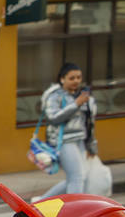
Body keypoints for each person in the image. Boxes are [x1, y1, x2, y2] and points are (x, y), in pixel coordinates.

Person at [39, 63, 97, 198]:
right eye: (72, 78)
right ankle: (73, 212)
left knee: (79, 178)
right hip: (63, 141)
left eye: (79, 77)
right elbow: (53, 117)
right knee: (77, 177)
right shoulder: (55, 96)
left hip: (80, 140)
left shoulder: (83, 96)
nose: (76, 81)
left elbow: (89, 123)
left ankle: (39, 205)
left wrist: (92, 146)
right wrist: (76, 104)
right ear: (62, 79)